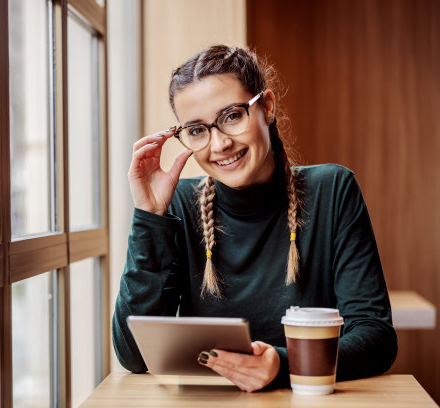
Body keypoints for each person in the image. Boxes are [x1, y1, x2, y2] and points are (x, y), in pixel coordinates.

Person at [112, 44, 397, 391]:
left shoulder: (333, 190)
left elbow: (375, 336)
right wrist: (150, 217)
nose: (219, 145)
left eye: (232, 115)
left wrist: (281, 364)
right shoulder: (179, 204)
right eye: (198, 130)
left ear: (267, 107)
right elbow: (133, 354)